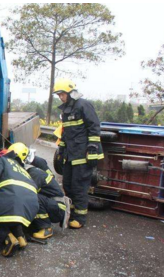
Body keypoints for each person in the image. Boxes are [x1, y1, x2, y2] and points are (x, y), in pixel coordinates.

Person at [53, 78, 104, 229]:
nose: (61, 97)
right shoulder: (66, 110)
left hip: (83, 155)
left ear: (70, 92)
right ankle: (72, 213)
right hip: (70, 155)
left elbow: (94, 127)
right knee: (67, 184)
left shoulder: (83, 105)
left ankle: (80, 218)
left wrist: (93, 149)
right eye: (59, 95)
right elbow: (65, 133)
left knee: (79, 186)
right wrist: (61, 150)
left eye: (62, 94)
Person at [0, 142, 40, 257]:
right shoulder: (23, 170)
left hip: (11, 199)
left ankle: (7, 238)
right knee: (12, 217)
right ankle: (21, 237)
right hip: (32, 207)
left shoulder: (3, 160)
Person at [25, 152, 70, 240]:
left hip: (58, 209)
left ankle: (46, 229)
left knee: (33, 197)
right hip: (53, 203)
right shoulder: (35, 166)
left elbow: (29, 192)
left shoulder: (34, 173)